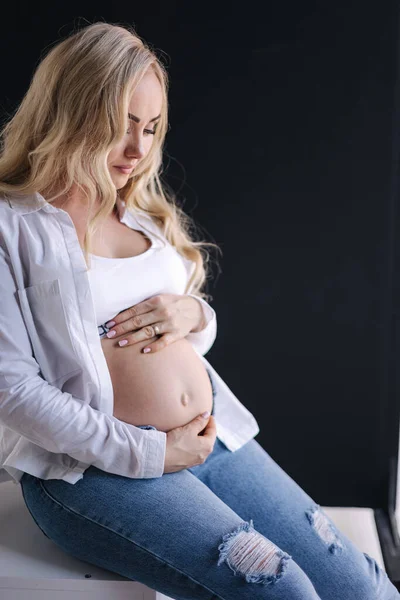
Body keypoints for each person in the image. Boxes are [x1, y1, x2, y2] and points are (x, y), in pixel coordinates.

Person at [0, 21, 397, 599]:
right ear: (72, 112)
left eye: (151, 127)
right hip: (90, 471)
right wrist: (154, 450)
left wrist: (194, 316)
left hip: (210, 441)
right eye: (121, 126)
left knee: (360, 586)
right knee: (279, 590)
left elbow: (185, 327)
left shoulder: (140, 215)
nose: (138, 150)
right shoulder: (13, 227)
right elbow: (11, 390)